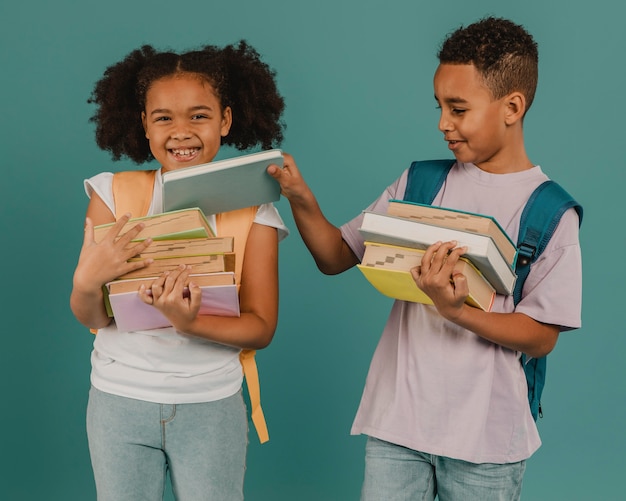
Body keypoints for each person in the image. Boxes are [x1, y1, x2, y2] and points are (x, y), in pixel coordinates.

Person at [268, 17, 582, 501]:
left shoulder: (549, 211)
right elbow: (335, 256)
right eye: (439, 106)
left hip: (487, 439)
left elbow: (542, 337)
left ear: (512, 107)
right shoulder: (419, 183)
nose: (442, 123)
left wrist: (458, 311)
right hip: (398, 425)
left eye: (458, 109)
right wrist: (300, 197)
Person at [70, 40, 288, 501]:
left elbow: (261, 327)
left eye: (199, 115)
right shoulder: (111, 194)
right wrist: (87, 280)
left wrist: (191, 322)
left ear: (225, 120)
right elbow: (93, 317)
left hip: (211, 405)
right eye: (164, 117)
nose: (181, 131)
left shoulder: (256, 209)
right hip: (118, 399)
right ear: (143, 124)